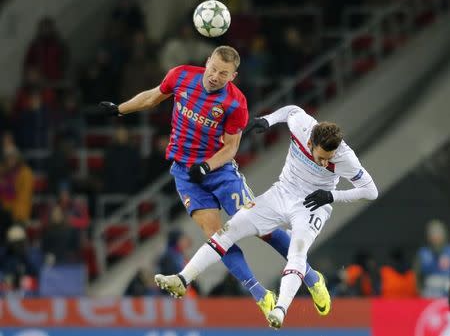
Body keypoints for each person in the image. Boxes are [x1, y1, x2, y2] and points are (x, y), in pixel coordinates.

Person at [98, 46, 328, 318]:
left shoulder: (235, 103)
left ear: (233, 76)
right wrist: (119, 109)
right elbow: (152, 97)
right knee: (216, 236)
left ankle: (312, 278)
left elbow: (231, 148)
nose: (215, 76)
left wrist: (207, 166)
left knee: (262, 227)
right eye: (214, 68)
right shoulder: (181, 76)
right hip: (185, 175)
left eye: (224, 73)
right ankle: (261, 294)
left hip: (219, 172)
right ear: (207, 62)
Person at [154, 105, 378, 329]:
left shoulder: (345, 158)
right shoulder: (302, 125)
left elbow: (371, 191)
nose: (323, 163)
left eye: (327, 159)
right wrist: (268, 120)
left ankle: (280, 310)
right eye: (320, 157)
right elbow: (291, 110)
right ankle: (183, 279)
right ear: (309, 142)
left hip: (313, 205)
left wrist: (331, 195)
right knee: (230, 229)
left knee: (297, 253)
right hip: (281, 193)